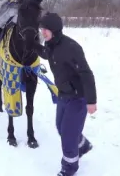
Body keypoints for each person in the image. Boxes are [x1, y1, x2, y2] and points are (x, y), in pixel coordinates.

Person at [33, 12, 96, 176]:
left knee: (68, 135)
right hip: (63, 95)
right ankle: (82, 145)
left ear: (54, 29)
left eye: (45, 29)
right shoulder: (50, 44)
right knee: (61, 127)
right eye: (42, 29)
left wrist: (91, 100)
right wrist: (33, 46)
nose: (42, 32)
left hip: (78, 98)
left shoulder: (71, 48)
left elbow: (86, 73)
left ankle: (69, 168)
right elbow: (47, 55)